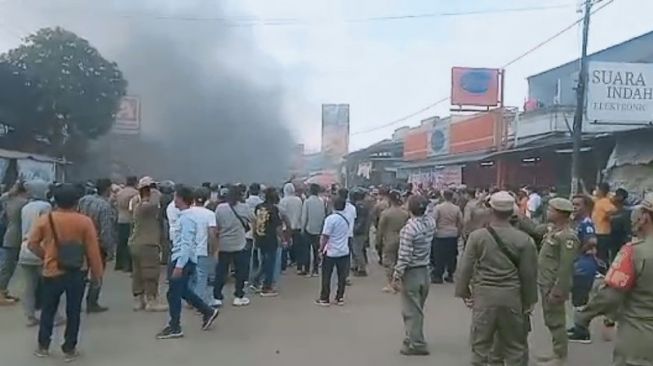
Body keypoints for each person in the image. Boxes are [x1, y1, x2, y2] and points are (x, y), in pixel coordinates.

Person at [456, 191, 538, 366]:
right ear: (512, 213)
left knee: (480, 347)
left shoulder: (477, 237)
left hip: (485, 297)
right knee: (515, 348)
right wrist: (529, 300)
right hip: (512, 298)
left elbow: (465, 268)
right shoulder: (524, 240)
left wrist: (464, 292)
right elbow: (528, 275)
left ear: (491, 210)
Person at [569, 193, 653, 365]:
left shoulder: (634, 252)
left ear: (645, 217)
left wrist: (584, 317)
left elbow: (610, 296)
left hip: (640, 338)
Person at [29, 183, 104, 362]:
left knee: (48, 310)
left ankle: (43, 346)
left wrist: (46, 256)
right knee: (73, 311)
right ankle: (69, 348)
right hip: (76, 272)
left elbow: (32, 243)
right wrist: (97, 274)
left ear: (55, 200)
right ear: (76, 202)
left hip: (52, 272)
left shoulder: (46, 219)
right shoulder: (84, 221)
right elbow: (93, 250)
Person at [156, 185, 219, 339]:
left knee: (174, 294)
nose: (173, 200)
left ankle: (175, 326)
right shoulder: (186, 215)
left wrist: (179, 265)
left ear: (181, 199)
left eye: (176, 197)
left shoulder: (186, 218)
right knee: (183, 291)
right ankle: (207, 311)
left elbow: (186, 243)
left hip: (182, 258)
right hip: (186, 258)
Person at [390, 195, 435, 356]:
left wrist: (397, 274)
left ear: (409, 209)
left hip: (412, 272)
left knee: (411, 311)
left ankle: (417, 343)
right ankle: (412, 337)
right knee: (417, 308)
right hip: (424, 269)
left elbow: (405, 255)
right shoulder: (430, 223)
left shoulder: (409, 229)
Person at [538, 197, 580, 366]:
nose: (548, 212)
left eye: (551, 209)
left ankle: (560, 356)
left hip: (554, 284)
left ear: (561, 214)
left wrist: (559, 289)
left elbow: (565, 266)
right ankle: (556, 351)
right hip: (546, 281)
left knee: (556, 320)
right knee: (550, 318)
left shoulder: (567, 237)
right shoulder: (553, 231)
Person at [18, 179, 64, 326]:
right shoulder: (45, 206)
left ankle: (30, 317)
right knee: (49, 286)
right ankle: (55, 316)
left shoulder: (25, 207)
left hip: (25, 249)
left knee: (29, 287)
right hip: (41, 250)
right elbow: (50, 227)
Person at [77, 178, 116, 313]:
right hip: (97, 245)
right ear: (107, 189)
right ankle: (92, 303)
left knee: (81, 273)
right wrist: (110, 249)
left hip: (81, 242)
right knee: (96, 274)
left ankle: (76, 300)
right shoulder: (105, 207)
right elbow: (106, 230)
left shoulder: (84, 200)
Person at [129, 177, 167, 312]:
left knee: (137, 273)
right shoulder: (148, 205)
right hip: (148, 243)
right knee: (150, 272)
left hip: (135, 242)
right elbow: (156, 201)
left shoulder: (135, 202)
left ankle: (139, 301)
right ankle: (152, 301)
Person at [213, 185, 255, 307]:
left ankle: (217, 297)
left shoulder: (220, 208)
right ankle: (238, 295)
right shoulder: (245, 207)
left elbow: (216, 225)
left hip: (223, 244)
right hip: (239, 244)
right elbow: (253, 219)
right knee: (240, 271)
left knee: (221, 271)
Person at [315, 196, 351, 306]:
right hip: (344, 251)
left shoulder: (330, 219)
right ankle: (339, 297)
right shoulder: (347, 218)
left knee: (327, 276)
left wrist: (321, 249)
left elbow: (325, 236)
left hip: (331, 252)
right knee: (342, 276)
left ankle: (324, 298)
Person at [187, 187, 218, 305]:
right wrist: (214, 249)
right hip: (202, 249)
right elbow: (212, 233)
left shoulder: (186, 213)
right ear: (207, 199)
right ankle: (199, 302)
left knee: (190, 277)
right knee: (202, 277)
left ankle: (189, 299)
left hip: (188, 249)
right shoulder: (209, 214)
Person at [0, 181, 29, 305]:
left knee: (8, 266)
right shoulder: (23, 203)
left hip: (9, 235)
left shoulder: (9, 200)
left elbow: (3, 197)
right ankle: (1, 293)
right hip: (16, 237)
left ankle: (3, 291)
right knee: (8, 267)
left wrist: (12, 190)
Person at [252, 187, 285, 296]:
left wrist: (254, 236)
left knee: (264, 261)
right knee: (270, 263)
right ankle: (267, 287)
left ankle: (256, 281)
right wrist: (283, 239)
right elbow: (278, 227)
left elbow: (254, 222)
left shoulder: (259, 207)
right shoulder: (274, 209)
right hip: (270, 239)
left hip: (260, 237)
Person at [377, 190, 409, 293]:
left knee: (389, 263)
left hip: (389, 240)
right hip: (403, 239)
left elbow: (380, 229)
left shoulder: (386, 213)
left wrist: (378, 242)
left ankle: (391, 284)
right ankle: (398, 282)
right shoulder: (405, 213)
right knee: (400, 261)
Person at [431, 189, 463, 284]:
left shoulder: (438, 208)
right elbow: (461, 222)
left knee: (439, 256)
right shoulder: (456, 208)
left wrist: (434, 232)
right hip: (452, 234)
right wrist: (458, 232)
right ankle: (450, 274)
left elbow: (433, 221)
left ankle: (438, 275)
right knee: (452, 255)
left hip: (440, 234)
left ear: (444, 196)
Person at [301, 183, 326, 277]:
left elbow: (304, 216)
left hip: (308, 228)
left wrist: (303, 228)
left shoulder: (307, 202)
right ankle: (315, 270)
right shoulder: (321, 201)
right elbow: (323, 215)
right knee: (316, 250)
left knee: (306, 250)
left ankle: (307, 270)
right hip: (318, 229)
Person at [114, 176, 138, 272]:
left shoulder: (120, 192)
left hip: (120, 218)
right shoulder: (135, 193)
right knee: (129, 242)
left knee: (121, 242)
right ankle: (128, 265)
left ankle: (118, 263)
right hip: (130, 219)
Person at [279, 182, 303, 273]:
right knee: (296, 245)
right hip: (297, 225)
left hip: (286, 227)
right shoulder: (298, 200)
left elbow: (282, 214)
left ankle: (283, 265)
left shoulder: (283, 201)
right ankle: (295, 261)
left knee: (285, 245)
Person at [592, 182, 616, 266]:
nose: (595, 191)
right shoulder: (598, 200)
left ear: (601, 191)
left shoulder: (605, 201)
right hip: (598, 231)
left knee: (602, 255)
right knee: (598, 254)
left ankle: (603, 271)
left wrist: (607, 217)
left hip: (603, 233)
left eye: (597, 189)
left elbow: (613, 210)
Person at [244, 183, 263, 278]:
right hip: (259, 233)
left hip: (246, 233)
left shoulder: (245, 203)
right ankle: (255, 277)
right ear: (259, 191)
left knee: (246, 256)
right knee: (257, 258)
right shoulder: (261, 203)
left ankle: (246, 276)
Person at [351, 188, 370, 276]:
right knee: (357, 250)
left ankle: (362, 269)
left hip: (359, 232)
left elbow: (360, 221)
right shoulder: (364, 205)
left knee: (357, 251)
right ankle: (356, 266)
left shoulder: (359, 206)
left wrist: (354, 229)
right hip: (362, 231)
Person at [610, 188, 631, 261]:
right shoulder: (611, 207)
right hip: (612, 236)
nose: (614, 197)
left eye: (617, 195)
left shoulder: (626, 210)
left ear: (621, 197)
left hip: (621, 237)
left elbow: (627, 226)